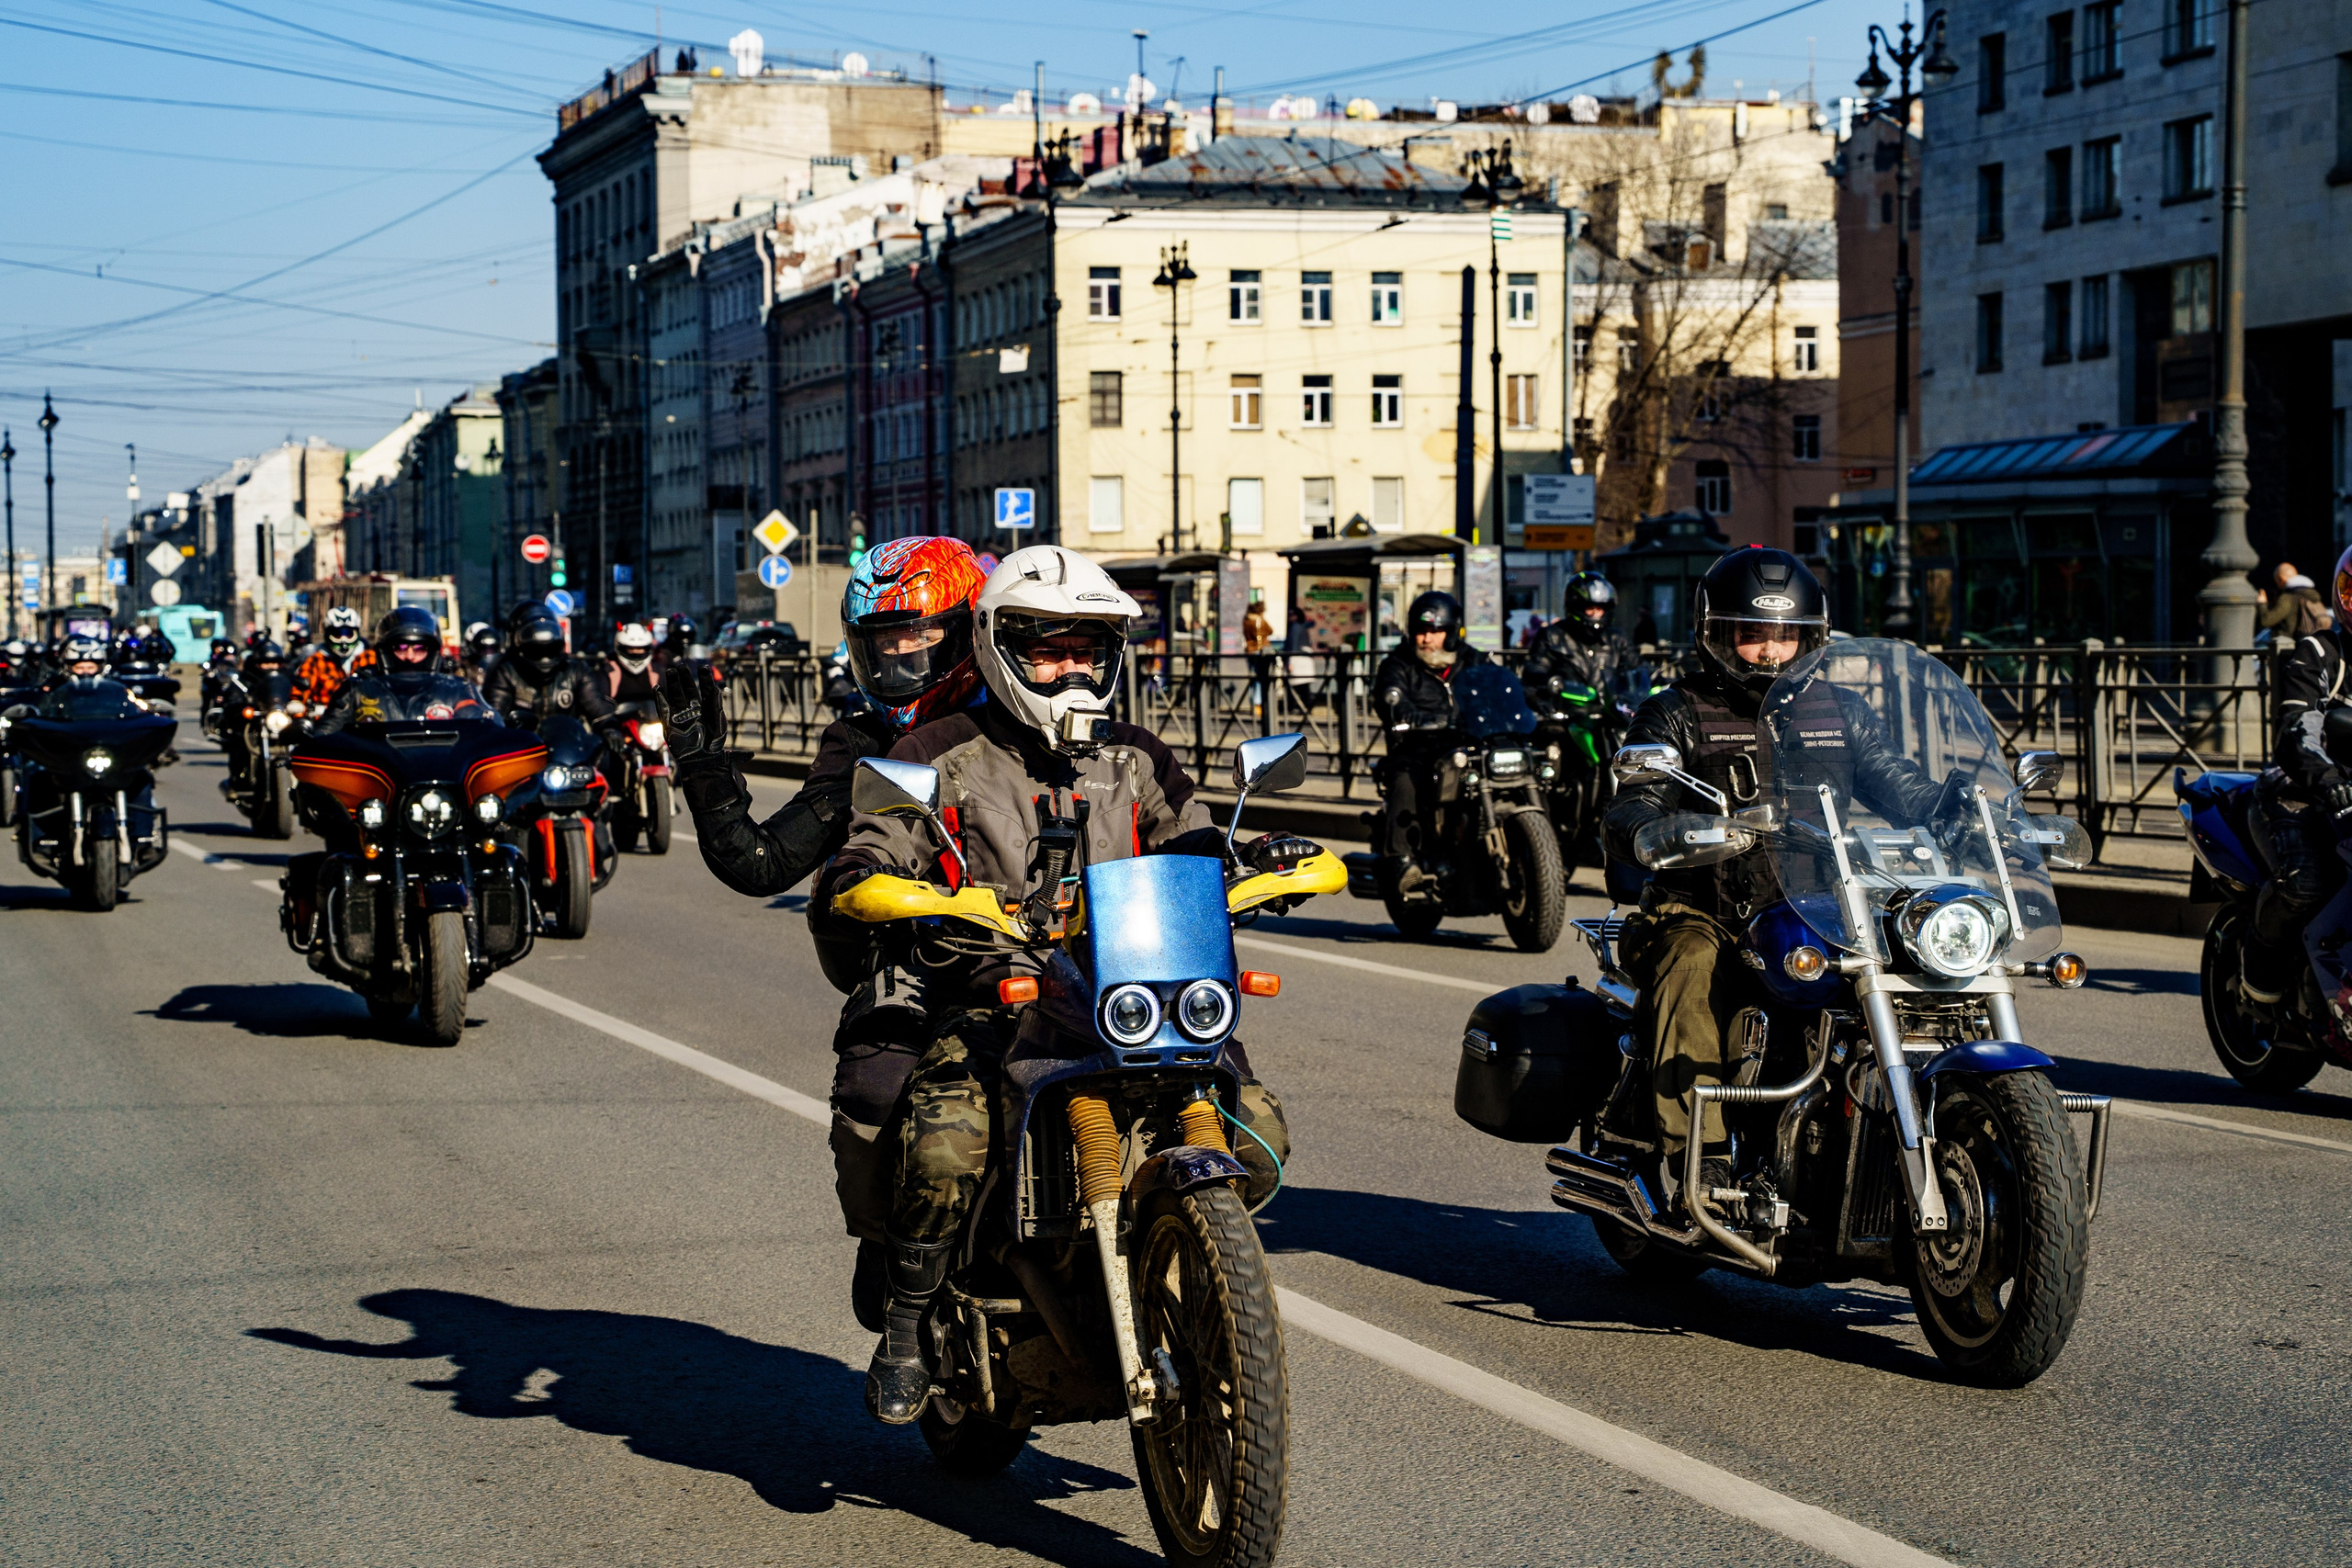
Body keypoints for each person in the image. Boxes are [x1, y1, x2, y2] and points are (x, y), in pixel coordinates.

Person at [820, 543, 1307, 1425]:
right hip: (999, 1001)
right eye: (1050, 649)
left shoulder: (1136, 756)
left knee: (1259, 1127)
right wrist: (874, 870)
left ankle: (1195, 1277)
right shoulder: (940, 751)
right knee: (945, 1142)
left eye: (1088, 648)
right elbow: (879, 838)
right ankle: (902, 1323)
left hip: (1129, 993)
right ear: (1001, 649)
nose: (1072, 667)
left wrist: (1248, 855)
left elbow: (1188, 837)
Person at [1600, 547, 1939, 1193]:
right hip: (1704, 907)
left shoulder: (1840, 712)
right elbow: (1631, 803)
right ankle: (1705, 1158)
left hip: (1817, 906)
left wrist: (1963, 810)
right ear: (1719, 635)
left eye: (1786, 636)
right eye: (1754, 634)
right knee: (1692, 966)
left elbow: (1900, 783)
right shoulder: (1677, 709)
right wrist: (1651, 826)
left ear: (1810, 638)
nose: (1770, 651)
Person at [2246, 545, 2352, 1002]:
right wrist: (2329, 780)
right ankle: (2258, 970)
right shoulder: (2322, 652)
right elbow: (2296, 730)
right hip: (2303, 794)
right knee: (2306, 882)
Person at [1371, 591, 1487, 894]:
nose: (1426, 639)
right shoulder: (1398, 664)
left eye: (1435, 632)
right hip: (1417, 748)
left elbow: (1496, 689)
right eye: (1422, 632)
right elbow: (1389, 698)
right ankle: (1403, 859)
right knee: (1405, 779)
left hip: (1467, 746)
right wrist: (1414, 718)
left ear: (1451, 633)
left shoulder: (1474, 660)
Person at [308, 608, 487, 736]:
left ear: (432, 652)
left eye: (419, 648)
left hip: (438, 780)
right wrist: (308, 734)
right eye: (401, 648)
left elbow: (481, 723)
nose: (409, 656)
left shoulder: (453, 689)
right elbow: (325, 734)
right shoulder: (358, 688)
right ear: (385, 651)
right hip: (376, 780)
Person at [1521, 571, 1637, 707]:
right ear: (1576, 606)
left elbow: (1636, 667)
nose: (1596, 614)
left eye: (1600, 608)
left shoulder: (1617, 638)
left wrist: (1659, 679)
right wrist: (1553, 683)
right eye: (1590, 608)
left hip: (1610, 715)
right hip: (1568, 714)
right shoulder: (1553, 636)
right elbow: (1535, 669)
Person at [292, 606, 375, 710]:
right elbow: (299, 691)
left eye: (349, 634)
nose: (343, 640)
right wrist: (296, 704)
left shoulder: (370, 657)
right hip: (327, 720)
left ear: (357, 634)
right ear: (327, 634)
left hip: (366, 718)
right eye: (337, 634)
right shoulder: (316, 661)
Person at [2258, 564, 2332, 641]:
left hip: (2287, 647)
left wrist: (2262, 604)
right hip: (2307, 644)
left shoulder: (2288, 598)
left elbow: (2266, 621)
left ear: (2281, 579)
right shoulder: (2310, 595)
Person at [605, 622, 661, 706]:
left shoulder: (658, 671)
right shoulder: (607, 672)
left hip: (654, 719)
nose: (635, 652)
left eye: (640, 648)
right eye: (631, 648)